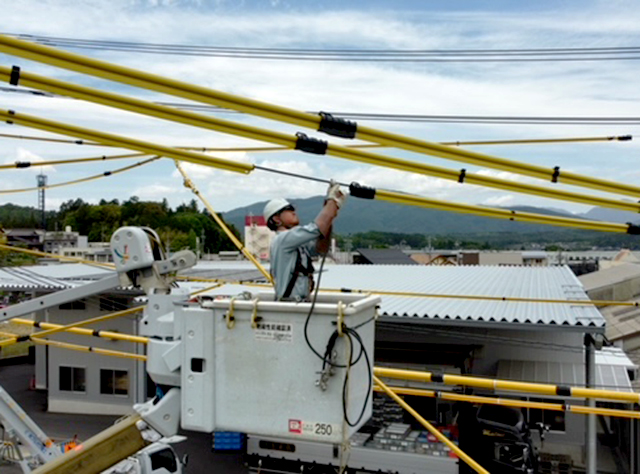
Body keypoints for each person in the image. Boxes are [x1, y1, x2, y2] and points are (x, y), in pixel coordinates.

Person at [264, 183, 346, 301]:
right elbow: (316, 228)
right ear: (276, 219)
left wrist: (330, 212)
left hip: (300, 303)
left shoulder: (296, 243)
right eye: (288, 209)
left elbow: (321, 247)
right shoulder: (282, 240)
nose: (294, 212)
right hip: (290, 305)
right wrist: (332, 202)